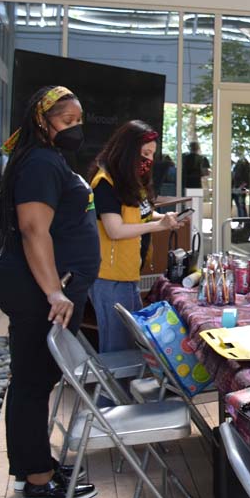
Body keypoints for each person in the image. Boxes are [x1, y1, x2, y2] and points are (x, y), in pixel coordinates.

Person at [0, 86, 99, 498]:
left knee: (35, 380)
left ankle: (33, 466)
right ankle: (38, 481)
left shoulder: (48, 159)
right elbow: (34, 229)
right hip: (39, 290)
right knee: (34, 381)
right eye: (67, 121)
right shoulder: (39, 162)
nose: (76, 128)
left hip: (44, 288)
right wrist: (54, 290)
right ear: (42, 121)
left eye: (79, 121)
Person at [88, 121, 179, 354]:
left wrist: (164, 218)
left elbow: (141, 215)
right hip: (109, 276)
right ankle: (114, 380)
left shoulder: (129, 180)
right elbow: (115, 230)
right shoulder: (105, 182)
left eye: (152, 154)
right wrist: (157, 227)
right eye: (145, 153)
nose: (149, 160)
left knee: (133, 342)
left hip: (128, 272)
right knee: (118, 346)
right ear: (128, 150)